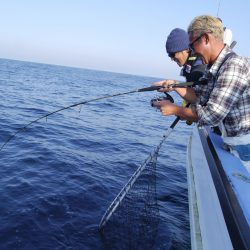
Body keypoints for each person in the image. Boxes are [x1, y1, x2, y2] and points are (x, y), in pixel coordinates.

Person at [157, 15, 250, 171]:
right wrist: (175, 85)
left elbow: (212, 115)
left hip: (245, 146)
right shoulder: (213, 68)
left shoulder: (234, 66)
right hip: (231, 143)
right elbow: (200, 97)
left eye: (192, 45)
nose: (191, 52)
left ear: (205, 38)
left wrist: (174, 110)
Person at [152, 28, 205, 106]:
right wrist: (172, 86)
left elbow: (199, 99)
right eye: (169, 55)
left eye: (173, 55)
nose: (172, 59)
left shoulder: (199, 67)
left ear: (186, 49)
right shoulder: (189, 65)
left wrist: (175, 85)